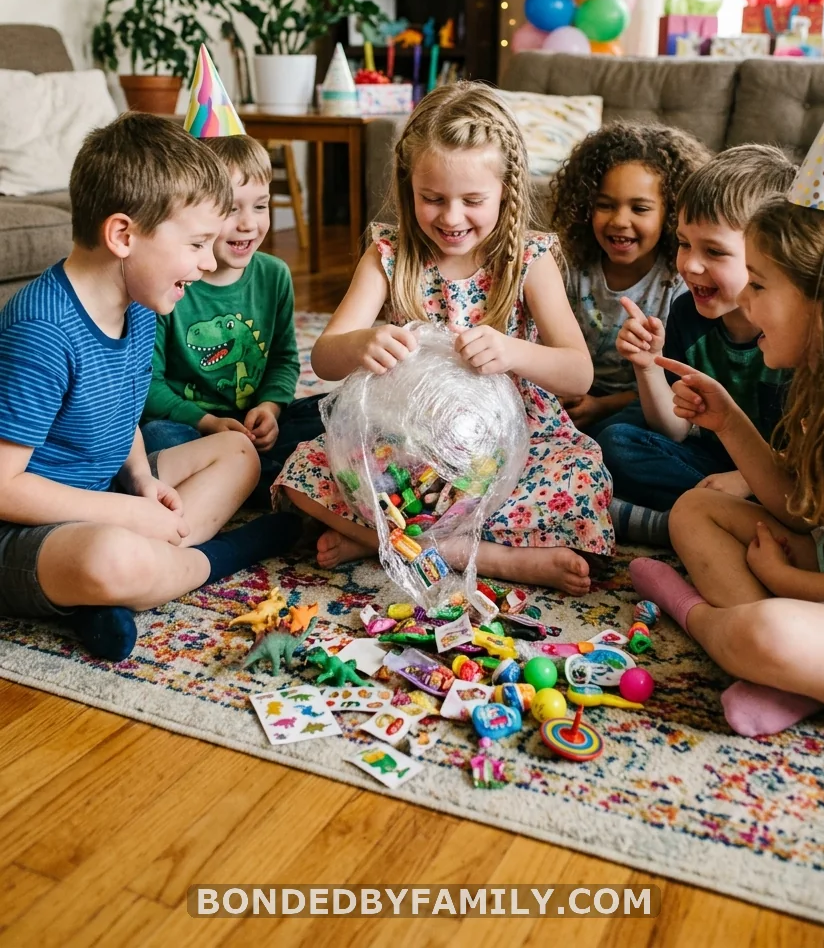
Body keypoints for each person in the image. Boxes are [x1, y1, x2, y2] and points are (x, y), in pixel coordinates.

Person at [273, 82, 614, 596]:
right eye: (432, 199)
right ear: (409, 187)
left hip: (508, 445)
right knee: (303, 472)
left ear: (507, 190)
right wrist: (362, 343)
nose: (451, 218)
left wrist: (513, 352)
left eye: (473, 200)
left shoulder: (530, 259)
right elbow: (324, 357)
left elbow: (578, 372)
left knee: (584, 479)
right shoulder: (387, 256)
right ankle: (462, 551)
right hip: (404, 449)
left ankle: (391, 542)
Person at [0, 114, 287, 663]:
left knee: (237, 451)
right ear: (124, 235)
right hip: (19, 530)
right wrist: (127, 515)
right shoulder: (42, 331)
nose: (208, 264)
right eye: (198, 244)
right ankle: (214, 558)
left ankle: (118, 591)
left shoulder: (140, 302)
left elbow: (120, 411)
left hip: (101, 489)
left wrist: (138, 479)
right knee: (110, 558)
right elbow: (4, 487)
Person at [630, 195, 824, 735]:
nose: (744, 305)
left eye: (759, 285)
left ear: (822, 300)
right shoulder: (820, 390)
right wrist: (729, 422)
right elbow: (801, 513)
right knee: (696, 509)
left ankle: (698, 617)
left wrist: (787, 580)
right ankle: (794, 677)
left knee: (767, 633)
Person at [601, 144, 797, 547]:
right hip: (705, 459)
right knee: (614, 440)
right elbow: (674, 429)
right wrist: (647, 365)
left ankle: (679, 523)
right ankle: (712, 522)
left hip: (781, 478)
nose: (689, 265)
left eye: (715, 251)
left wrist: (748, 481)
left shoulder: (793, 340)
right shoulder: (689, 313)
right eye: (684, 243)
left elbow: (816, 462)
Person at [141, 133, 324, 497]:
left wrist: (270, 409)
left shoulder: (274, 275)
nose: (248, 224)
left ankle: (252, 479)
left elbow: (285, 360)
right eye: (231, 209)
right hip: (190, 426)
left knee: (333, 412)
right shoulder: (168, 283)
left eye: (260, 206)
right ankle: (273, 482)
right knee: (155, 439)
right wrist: (208, 423)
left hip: (255, 425)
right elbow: (147, 384)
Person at [551, 121, 709, 436]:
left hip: (643, 401)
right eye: (605, 206)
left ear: (671, 214)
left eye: (640, 208)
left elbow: (674, 386)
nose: (620, 221)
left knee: (617, 439)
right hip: (569, 392)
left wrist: (600, 407)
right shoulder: (568, 265)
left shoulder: (679, 282)